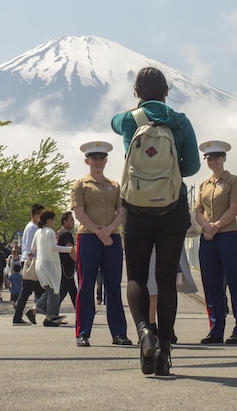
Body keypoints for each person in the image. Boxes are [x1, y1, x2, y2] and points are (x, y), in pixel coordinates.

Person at [111, 66, 200, 376]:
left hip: (135, 207)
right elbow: (190, 167)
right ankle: (164, 349)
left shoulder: (126, 120)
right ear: (167, 91)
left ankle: (144, 333)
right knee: (165, 280)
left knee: (135, 276)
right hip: (172, 207)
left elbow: (113, 122)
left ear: (136, 93)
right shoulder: (180, 121)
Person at [70, 141, 131, 347]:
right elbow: (79, 212)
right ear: (87, 160)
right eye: (94, 158)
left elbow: (120, 212)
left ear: (106, 161)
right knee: (86, 285)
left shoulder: (114, 185)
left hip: (112, 238)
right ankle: (83, 332)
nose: (98, 162)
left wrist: (109, 230)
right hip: (88, 237)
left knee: (113, 286)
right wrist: (98, 231)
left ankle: (119, 333)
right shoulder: (80, 185)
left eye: (102, 158)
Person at [194, 140, 237, 344]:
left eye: (216, 157)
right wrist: (206, 227)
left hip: (226, 235)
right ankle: (216, 329)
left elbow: (234, 208)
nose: (213, 161)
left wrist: (215, 226)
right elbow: (198, 211)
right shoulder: (203, 185)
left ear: (224, 158)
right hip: (208, 237)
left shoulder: (233, 180)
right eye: (209, 158)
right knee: (211, 284)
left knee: (235, 282)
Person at [29, 209, 74, 327]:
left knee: (50, 290)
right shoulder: (50, 232)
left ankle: (36, 311)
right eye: (53, 219)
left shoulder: (38, 232)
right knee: (54, 290)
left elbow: (32, 248)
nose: (54, 221)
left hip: (40, 263)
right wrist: (69, 249)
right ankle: (51, 317)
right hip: (49, 265)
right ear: (49, 220)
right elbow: (53, 247)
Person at [12, 204, 46, 326]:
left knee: (40, 291)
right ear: (36, 215)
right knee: (28, 291)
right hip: (31, 262)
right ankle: (17, 317)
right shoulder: (33, 228)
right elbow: (32, 248)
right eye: (42, 215)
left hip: (29, 261)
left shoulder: (32, 227)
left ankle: (49, 315)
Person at [57, 212, 78, 309]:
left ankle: (81, 310)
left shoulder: (60, 232)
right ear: (64, 222)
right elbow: (70, 250)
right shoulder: (66, 233)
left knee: (73, 291)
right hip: (66, 268)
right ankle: (50, 311)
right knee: (62, 291)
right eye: (71, 220)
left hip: (64, 266)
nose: (73, 222)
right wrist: (78, 261)